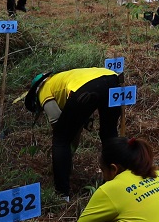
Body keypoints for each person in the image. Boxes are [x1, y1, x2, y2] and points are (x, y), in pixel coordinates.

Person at [24, 67, 123, 201]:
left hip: (87, 87)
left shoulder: (43, 89)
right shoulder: (62, 78)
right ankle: (117, 181)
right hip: (112, 79)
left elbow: (57, 121)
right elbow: (76, 118)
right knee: (109, 133)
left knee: (60, 139)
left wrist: (66, 153)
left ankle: (62, 194)